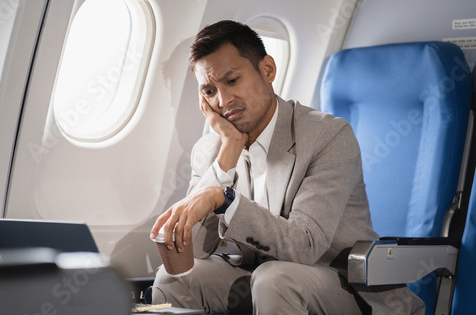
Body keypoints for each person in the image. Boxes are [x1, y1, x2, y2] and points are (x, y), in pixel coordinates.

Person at [150, 20, 425, 314]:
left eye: (232, 81)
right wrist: (227, 154)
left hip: (340, 284)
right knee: (173, 279)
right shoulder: (211, 150)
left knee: (275, 280)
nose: (223, 100)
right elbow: (191, 249)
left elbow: (305, 246)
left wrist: (224, 199)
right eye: (209, 91)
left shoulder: (327, 136)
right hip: (257, 278)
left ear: (267, 69)